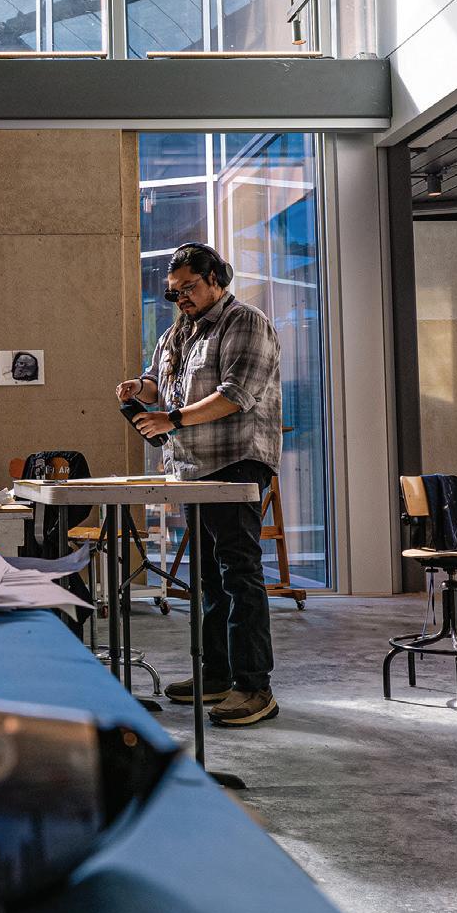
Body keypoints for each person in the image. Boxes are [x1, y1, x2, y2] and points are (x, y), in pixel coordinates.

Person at [116, 243, 282, 728]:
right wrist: (140, 389)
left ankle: (255, 687)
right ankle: (217, 676)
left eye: (188, 287)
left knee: (239, 573)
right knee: (208, 576)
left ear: (217, 278)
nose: (181, 298)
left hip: (235, 463)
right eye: (174, 292)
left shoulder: (245, 322)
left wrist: (171, 419)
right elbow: (157, 382)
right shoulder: (176, 333)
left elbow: (236, 394)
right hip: (191, 470)